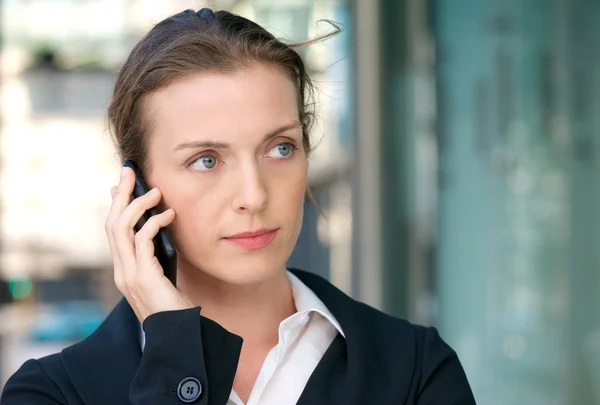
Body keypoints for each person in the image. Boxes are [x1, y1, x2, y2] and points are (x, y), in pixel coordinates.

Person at [0, 7, 476, 405]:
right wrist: (176, 357)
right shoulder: (51, 394)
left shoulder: (416, 371)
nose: (254, 195)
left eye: (280, 148)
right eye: (206, 160)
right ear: (138, 186)